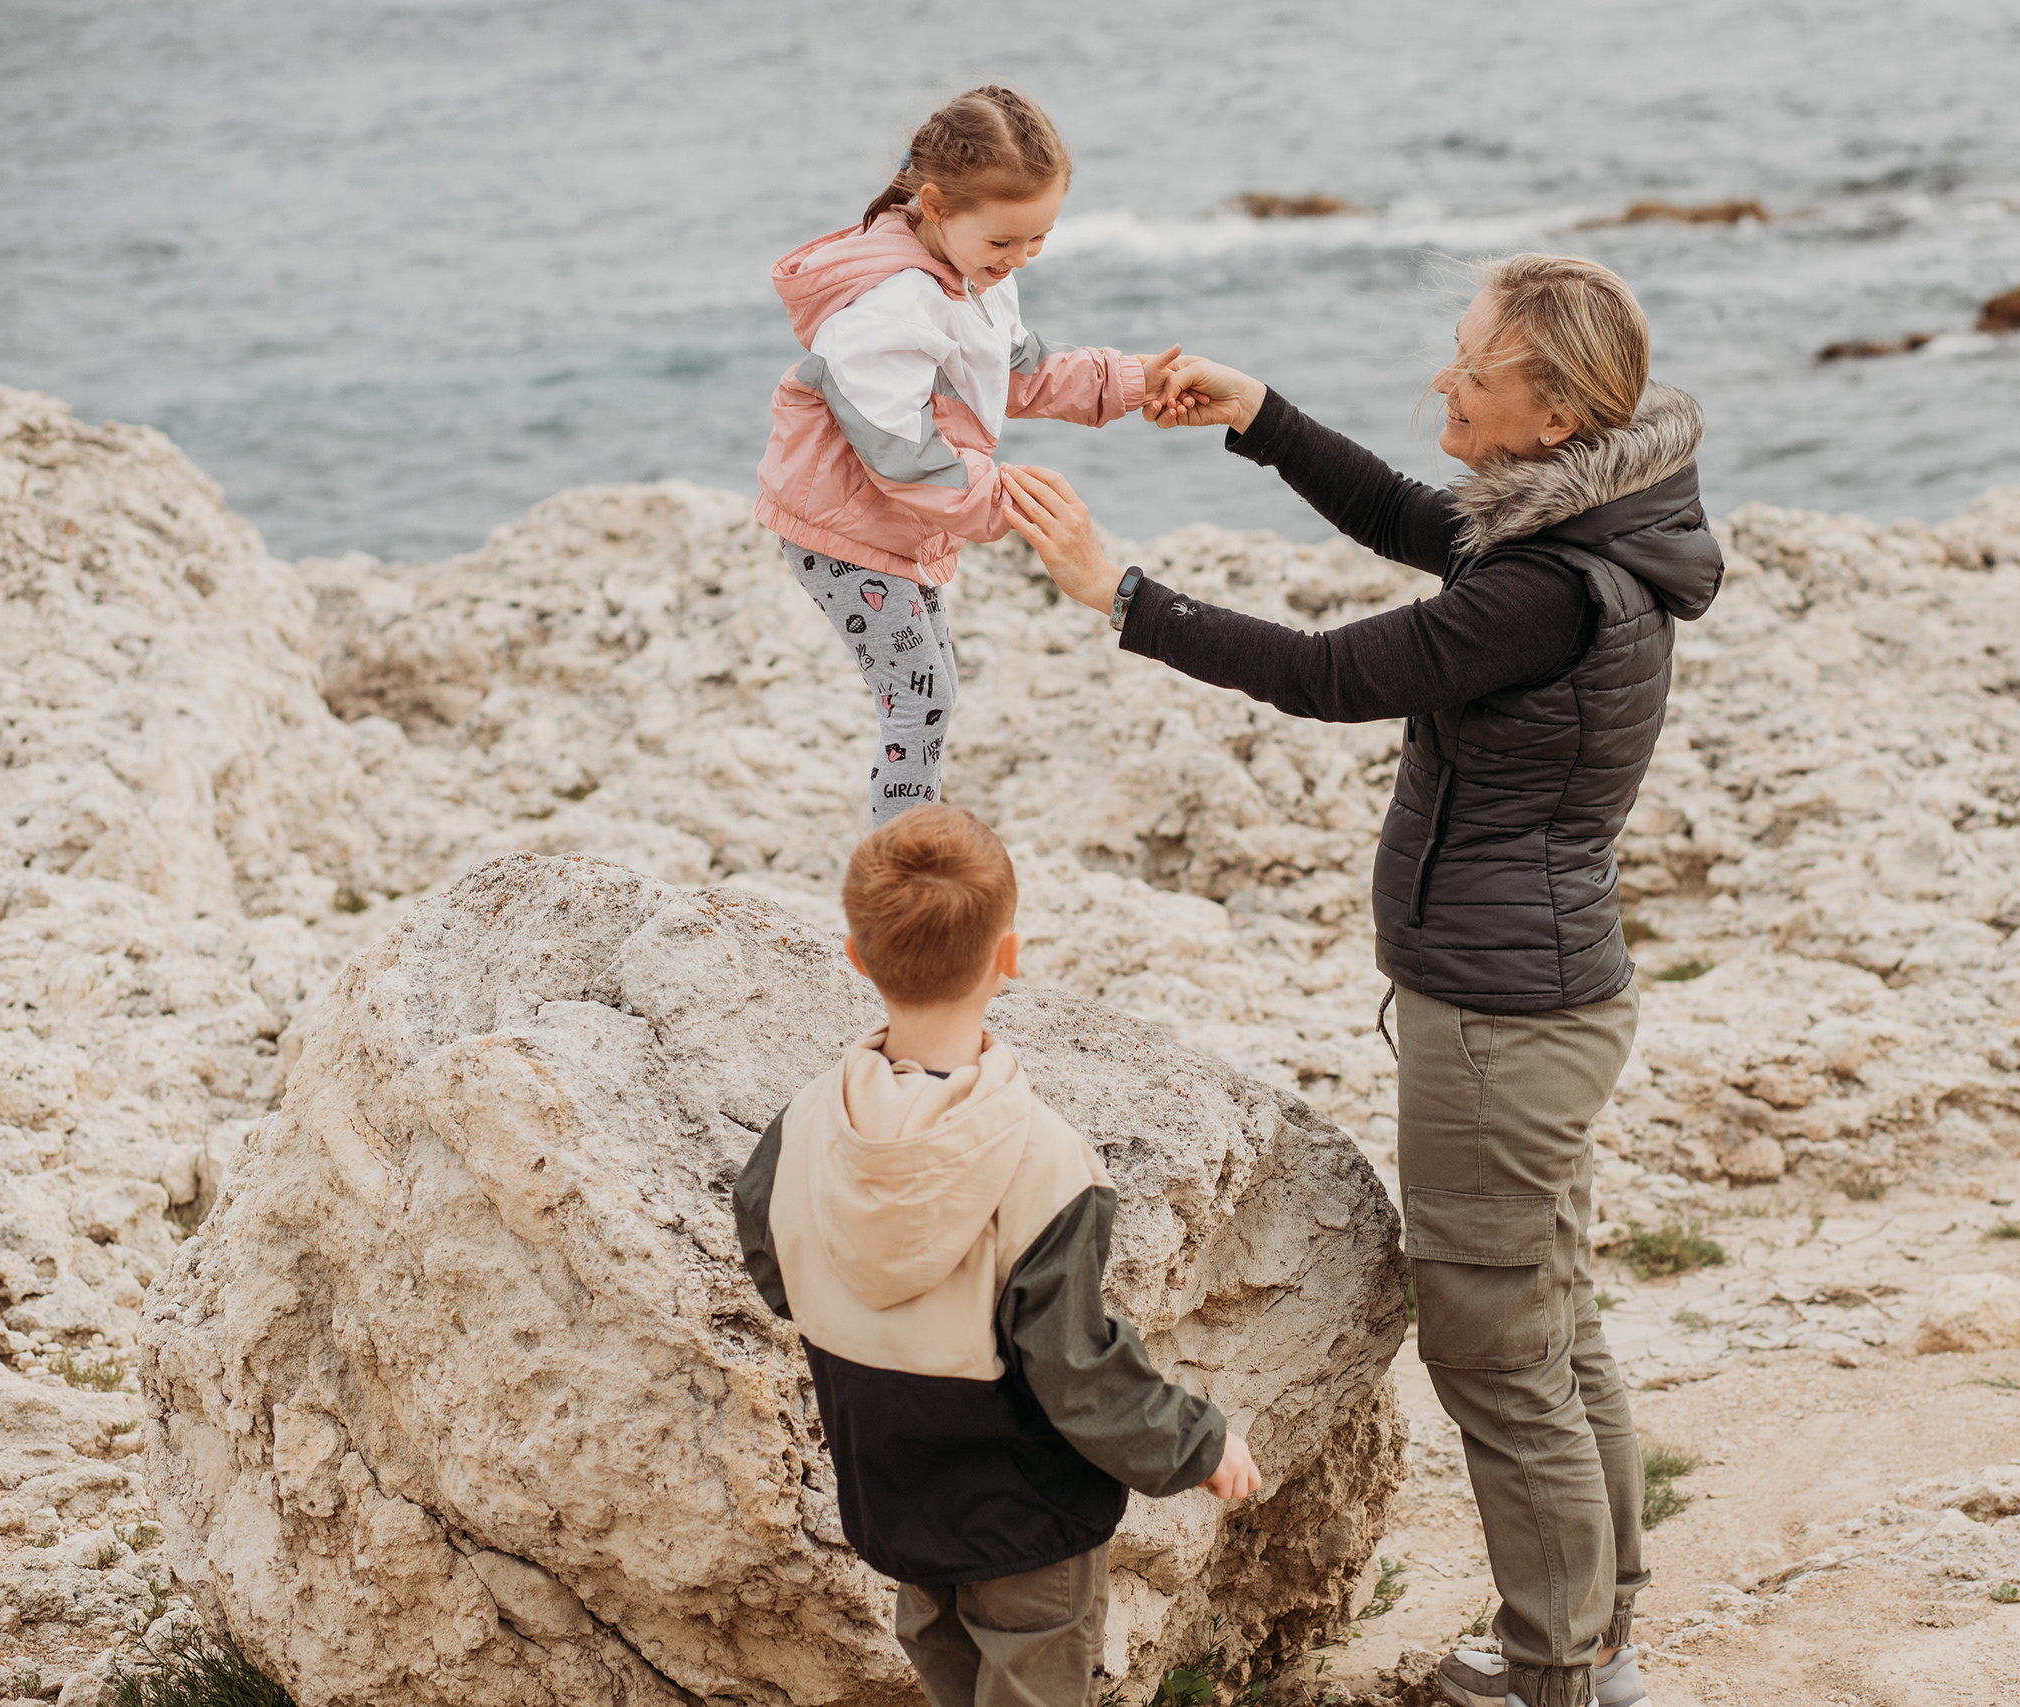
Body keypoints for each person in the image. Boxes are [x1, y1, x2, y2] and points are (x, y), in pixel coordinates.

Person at [998, 254, 1723, 1707]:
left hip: (1501, 1024)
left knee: (1500, 1349)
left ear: (1550, 407)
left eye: (1466, 368)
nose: (1441, 383)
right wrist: (1259, 414)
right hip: (1542, 997)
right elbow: (1413, 518)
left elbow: (1331, 673)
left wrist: (1115, 591)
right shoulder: (1581, 527)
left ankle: (1557, 1667)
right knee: (1549, 1319)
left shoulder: (1548, 589)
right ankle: (1590, 1632)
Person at [731, 804, 1261, 1707]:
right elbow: (1076, 1367)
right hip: (1026, 1520)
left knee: (946, 1673)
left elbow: (769, 1252)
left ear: (858, 959)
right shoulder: (1042, 1159)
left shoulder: (808, 1123)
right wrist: (1198, 1443)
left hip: (892, 1487)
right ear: (1008, 957)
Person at [754, 86, 1183, 825]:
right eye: (1005, 242)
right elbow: (899, 454)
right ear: (936, 204)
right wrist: (1001, 499)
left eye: (1038, 240)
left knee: (932, 686)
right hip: (843, 532)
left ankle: (907, 845)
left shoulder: (978, 276)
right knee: (921, 695)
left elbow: (1022, 373)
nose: (1020, 260)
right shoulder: (889, 309)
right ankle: (902, 870)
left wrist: (1133, 382)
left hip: (895, 524)